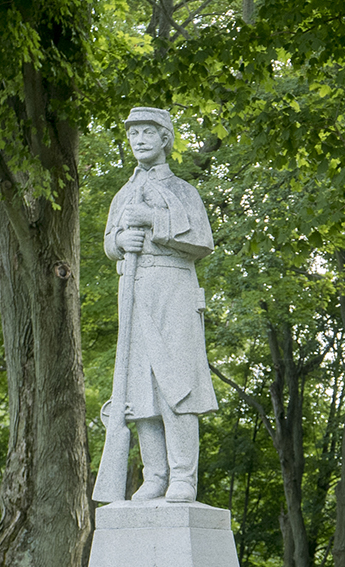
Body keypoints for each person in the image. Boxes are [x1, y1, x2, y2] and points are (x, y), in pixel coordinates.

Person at [104, 106, 217, 502]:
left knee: (177, 383)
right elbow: (109, 241)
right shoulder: (123, 193)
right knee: (140, 387)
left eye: (147, 132)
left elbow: (202, 240)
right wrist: (120, 242)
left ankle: (183, 476)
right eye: (133, 133)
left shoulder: (184, 191)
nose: (139, 140)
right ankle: (155, 475)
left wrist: (152, 219)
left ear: (165, 138)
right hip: (134, 289)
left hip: (174, 288)